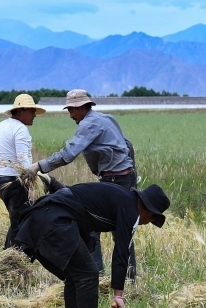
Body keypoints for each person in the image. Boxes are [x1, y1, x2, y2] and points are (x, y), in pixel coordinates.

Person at [15, 182, 170, 308]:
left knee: (75, 275)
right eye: (151, 219)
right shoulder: (130, 210)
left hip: (43, 216)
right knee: (88, 274)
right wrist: (118, 296)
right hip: (55, 219)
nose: (146, 223)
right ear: (148, 211)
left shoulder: (122, 197)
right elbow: (122, 252)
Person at [26, 89, 139, 277]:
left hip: (115, 180)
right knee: (123, 230)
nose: (70, 114)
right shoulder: (106, 119)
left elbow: (68, 154)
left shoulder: (89, 124)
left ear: (82, 107)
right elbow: (128, 145)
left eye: (72, 109)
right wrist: (132, 176)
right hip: (124, 178)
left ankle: (96, 274)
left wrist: (38, 166)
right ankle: (127, 277)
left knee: (93, 226)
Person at [0, 94, 45, 248]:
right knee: (21, 221)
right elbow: (24, 161)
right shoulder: (21, 129)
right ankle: (12, 254)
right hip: (15, 182)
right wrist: (31, 183)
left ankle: (9, 252)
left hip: (1, 180)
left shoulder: (2, 125)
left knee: (16, 220)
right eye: (32, 111)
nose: (34, 115)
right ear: (21, 111)